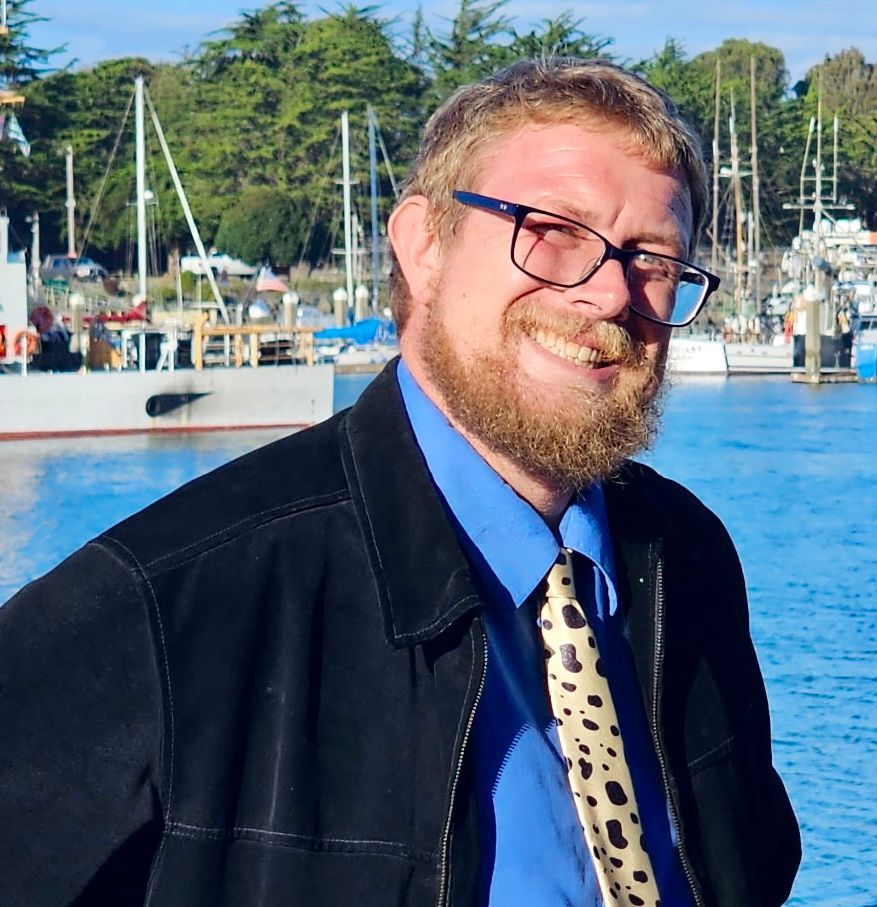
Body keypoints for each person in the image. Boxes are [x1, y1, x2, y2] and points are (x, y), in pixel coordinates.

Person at [0, 58, 800, 906]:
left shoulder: (685, 560)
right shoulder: (169, 604)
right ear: (423, 244)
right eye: (551, 228)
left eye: (653, 258)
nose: (608, 294)